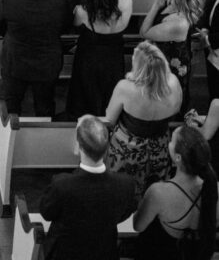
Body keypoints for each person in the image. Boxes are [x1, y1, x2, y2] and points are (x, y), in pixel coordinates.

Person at [39, 115, 136, 260]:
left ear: (78, 147)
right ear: (106, 149)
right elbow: (124, 213)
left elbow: (46, 213)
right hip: (104, 252)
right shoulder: (126, 184)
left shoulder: (62, 184)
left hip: (64, 253)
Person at [0, 0, 72, 117]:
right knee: (45, 106)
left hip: (15, 61)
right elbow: (65, 27)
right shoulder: (62, 0)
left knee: (12, 104)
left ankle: (6, 140)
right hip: (47, 62)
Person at [106, 42, 182, 201]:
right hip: (160, 145)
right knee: (155, 191)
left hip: (127, 149)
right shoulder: (174, 83)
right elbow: (176, 110)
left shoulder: (125, 87)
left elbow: (110, 119)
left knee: (123, 191)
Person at [134, 124, 219, 260]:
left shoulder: (158, 192)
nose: (169, 143)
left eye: (172, 140)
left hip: (164, 251)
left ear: (178, 157)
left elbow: (138, 226)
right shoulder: (212, 187)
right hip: (197, 253)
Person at [66, 0, 133, 118]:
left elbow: (75, 23)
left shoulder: (84, 10)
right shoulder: (127, 1)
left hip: (89, 54)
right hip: (114, 53)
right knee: (111, 87)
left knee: (87, 91)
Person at [140, 0, 202, 115]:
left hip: (171, 66)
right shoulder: (173, 7)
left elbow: (144, 32)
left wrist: (155, 5)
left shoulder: (179, 22)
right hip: (163, 60)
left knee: (167, 103)